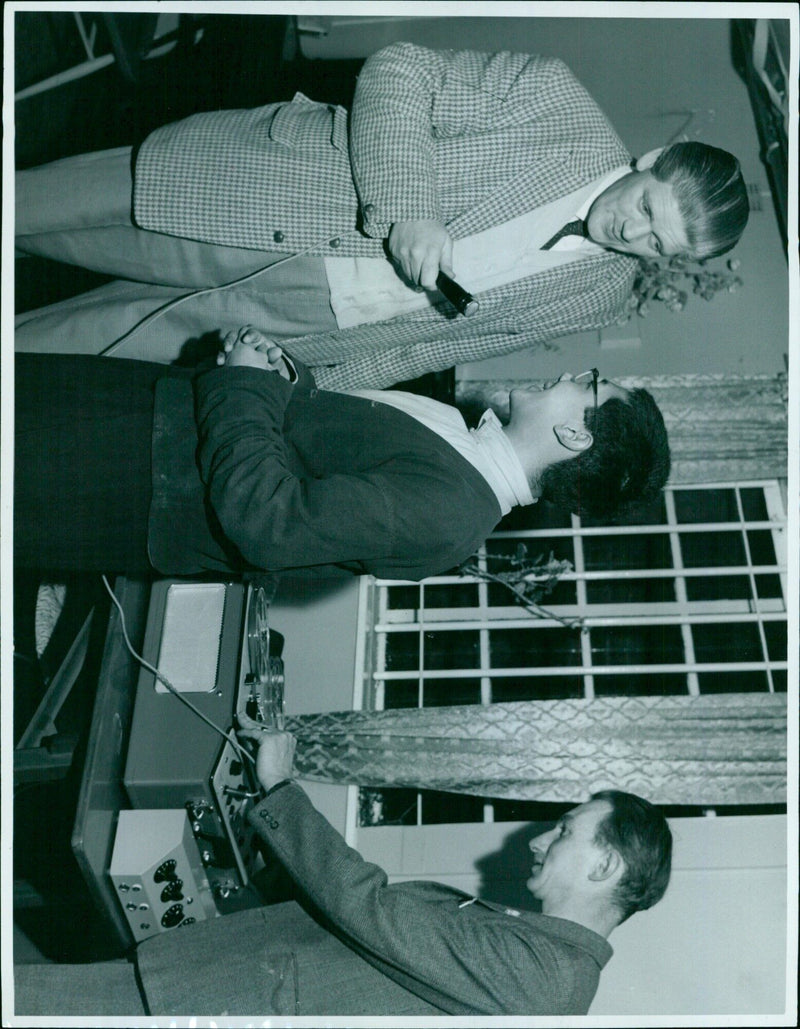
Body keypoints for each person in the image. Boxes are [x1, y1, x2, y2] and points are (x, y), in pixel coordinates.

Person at [15, 42, 749, 390]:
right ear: (652, 157)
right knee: (34, 211)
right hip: (256, 192)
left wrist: (307, 384)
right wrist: (409, 210)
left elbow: (420, 349)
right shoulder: (556, 102)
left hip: (299, 328)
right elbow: (400, 72)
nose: (633, 235)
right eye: (648, 208)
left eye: (659, 245)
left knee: (76, 351)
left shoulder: (601, 294)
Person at [12, 717, 674, 1016]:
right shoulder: (538, 951)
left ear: (604, 864)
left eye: (564, 831)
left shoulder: (549, 982)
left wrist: (278, 790)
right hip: (227, 983)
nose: (537, 841)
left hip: (224, 1003)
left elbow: (374, 909)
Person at [14, 326, 670, 579]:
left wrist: (245, 381)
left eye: (585, 384)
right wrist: (281, 371)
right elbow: (317, 436)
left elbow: (270, 522)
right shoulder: (463, 438)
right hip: (155, 429)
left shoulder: (447, 512)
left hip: (130, 480)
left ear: (576, 436)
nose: (564, 376)